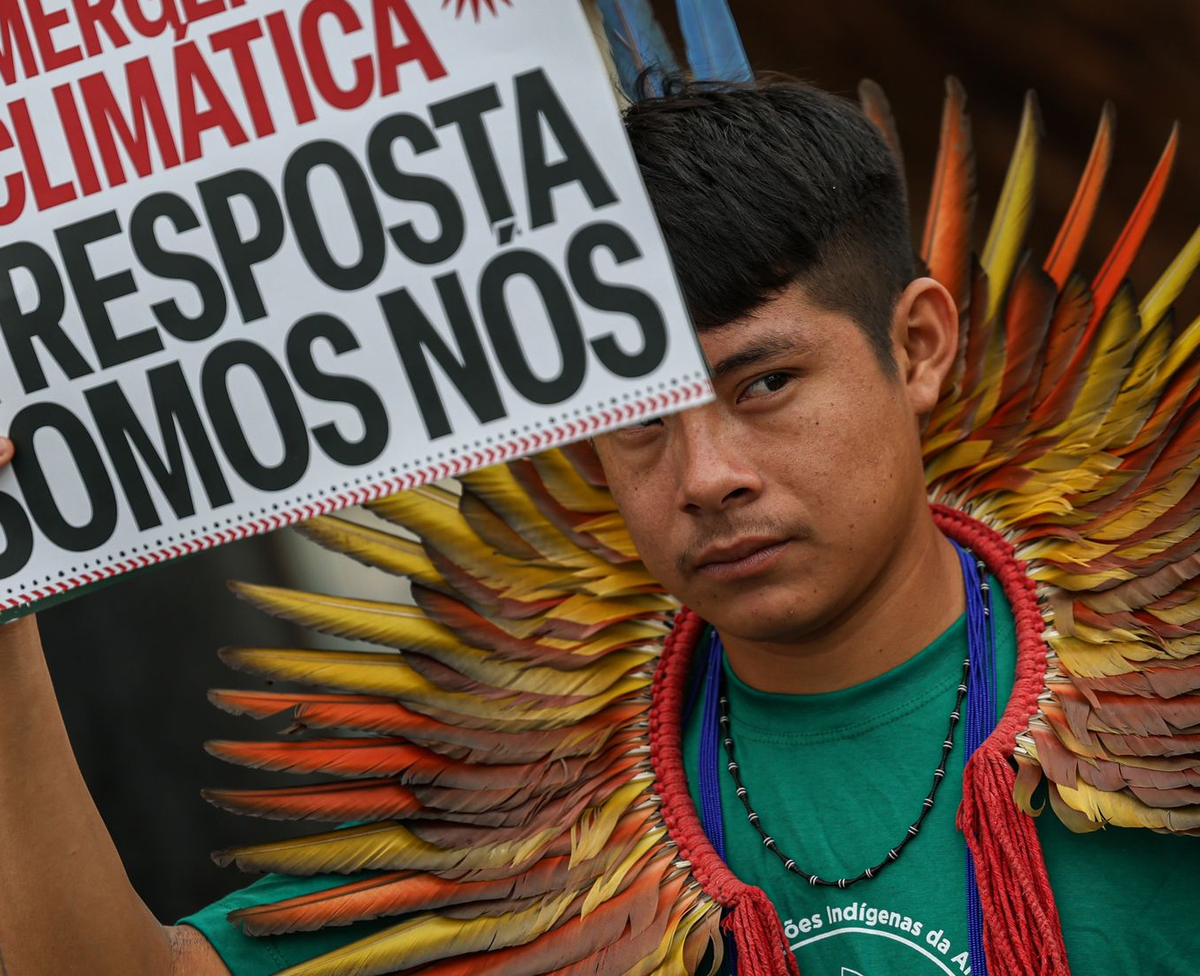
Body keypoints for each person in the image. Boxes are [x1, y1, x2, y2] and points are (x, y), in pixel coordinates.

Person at [1, 76, 1198, 975]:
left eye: (766, 383)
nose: (707, 474)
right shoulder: (514, 826)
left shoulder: (1172, 694)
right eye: (639, 422)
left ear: (917, 346)